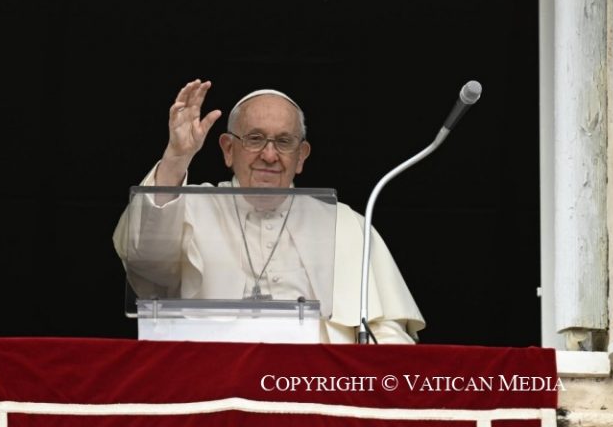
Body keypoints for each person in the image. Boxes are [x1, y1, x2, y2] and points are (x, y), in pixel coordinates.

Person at [113, 79, 425, 343]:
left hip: (313, 384)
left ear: (301, 157)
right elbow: (146, 263)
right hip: (213, 376)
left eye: (284, 142)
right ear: (228, 149)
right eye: (255, 139)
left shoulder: (344, 223)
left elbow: (386, 332)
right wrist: (176, 158)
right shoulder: (189, 206)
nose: (270, 155)